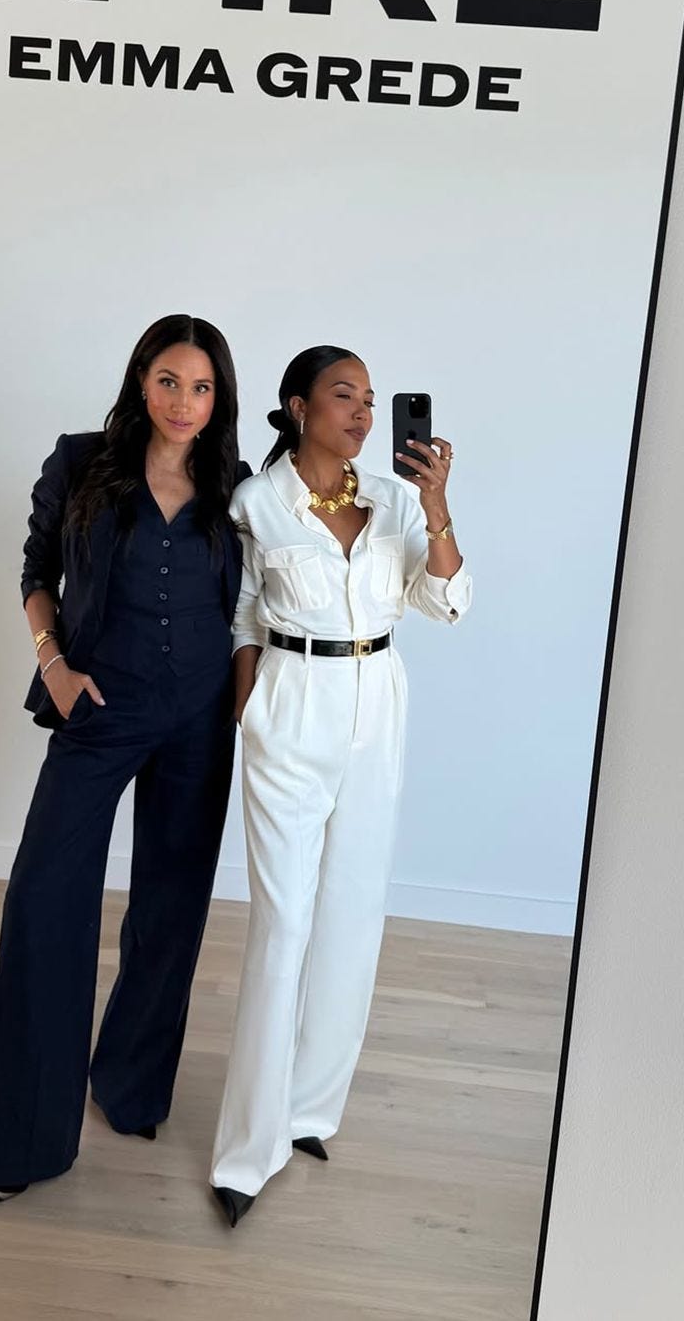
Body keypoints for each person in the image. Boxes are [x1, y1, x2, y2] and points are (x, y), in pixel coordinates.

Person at [0, 314, 250, 1208]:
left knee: (171, 909)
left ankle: (130, 1088)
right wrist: (53, 665)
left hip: (200, 718)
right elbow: (36, 571)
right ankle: (22, 1145)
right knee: (45, 900)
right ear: (140, 380)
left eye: (201, 387)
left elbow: (260, 600)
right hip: (97, 707)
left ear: (219, 399)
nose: (183, 402)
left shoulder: (237, 484)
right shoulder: (81, 461)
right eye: (169, 381)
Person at [209, 345, 471, 1226]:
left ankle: (308, 1112)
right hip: (292, 703)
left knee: (354, 912)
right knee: (283, 922)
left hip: (377, 704)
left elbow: (448, 603)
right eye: (342, 395)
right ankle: (246, 1153)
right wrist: (250, 701)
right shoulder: (256, 502)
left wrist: (436, 506)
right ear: (297, 406)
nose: (361, 413)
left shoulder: (396, 498)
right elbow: (243, 607)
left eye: (369, 398)